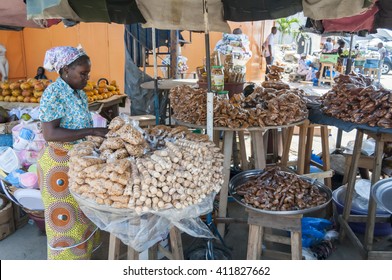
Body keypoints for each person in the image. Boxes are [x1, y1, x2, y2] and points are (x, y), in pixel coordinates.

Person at [37, 46, 108, 260]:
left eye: (88, 73)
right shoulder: (54, 93)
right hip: (58, 166)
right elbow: (50, 133)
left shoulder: (78, 93)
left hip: (76, 162)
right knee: (66, 222)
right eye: (83, 74)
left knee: (82, 217)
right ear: (66, 70)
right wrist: (93, 130)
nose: (87, 78)